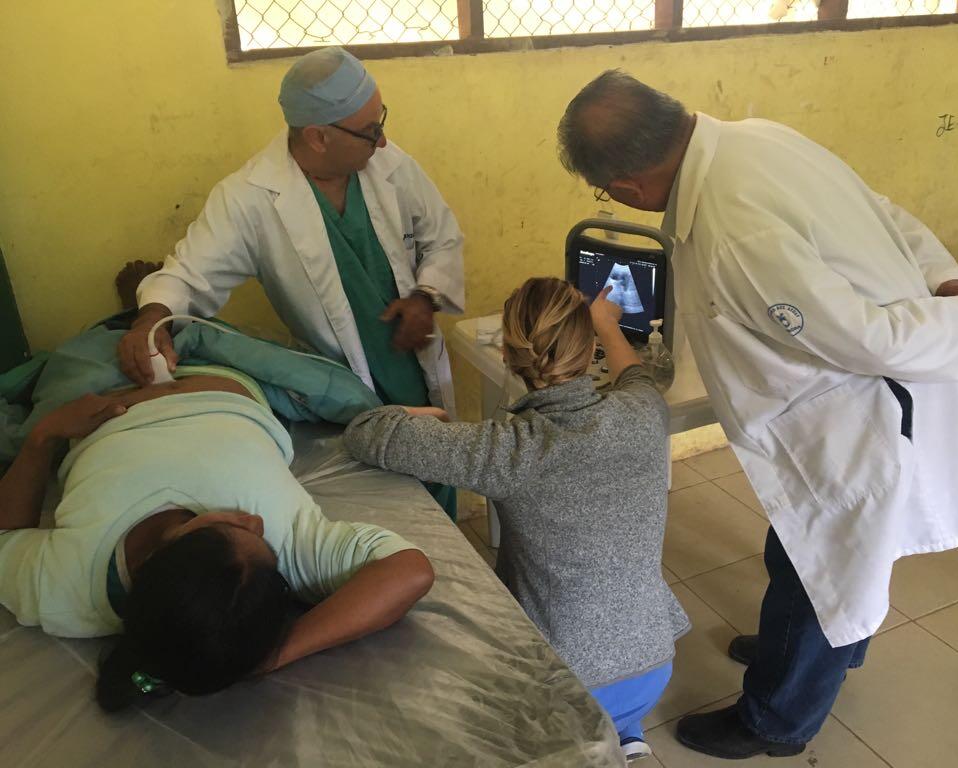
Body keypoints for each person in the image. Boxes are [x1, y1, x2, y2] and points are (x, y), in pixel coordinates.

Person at [557, 70, 958, 759]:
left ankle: (776, 721)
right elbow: (883, 213)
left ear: (625, 190)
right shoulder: (756, 137)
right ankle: (793, 650)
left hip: (854, 418)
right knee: (812, 550)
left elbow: (864, 337)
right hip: (850, 402)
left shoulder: (733, 224)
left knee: (821, 568)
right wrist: (946, 279)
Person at [344, 277, 689, 763]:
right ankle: (626, 735)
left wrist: (423, 414)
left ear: (507, 356)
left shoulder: (506, 449)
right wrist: (607, 325)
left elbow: (366, 433)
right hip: (654, 664)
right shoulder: (644, 412)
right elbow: (636, 377)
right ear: (588, 348)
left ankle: (595, 737)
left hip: (567, 685)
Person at [115, 46, 464, 517]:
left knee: (434, 456)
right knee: (384, 487)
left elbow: (441, 236)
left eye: (380, 121)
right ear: (319, 137)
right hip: (339, 375)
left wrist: (426, 295)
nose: (382, 141)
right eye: (371, 131)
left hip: (410, 361)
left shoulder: (390, 165)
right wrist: (148, 324)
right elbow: (187, 275)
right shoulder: (249, 198)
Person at [0, 371, 434, 711]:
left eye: (230, 526)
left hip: (95, 396)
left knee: (86, 351)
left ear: (155, 557)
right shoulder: (297, 547)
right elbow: (410, 571)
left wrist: (44, 436)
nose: (255, 523)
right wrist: (274, 655)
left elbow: (6, 535)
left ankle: (135, 314)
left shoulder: (64, 588)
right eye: (253, 535)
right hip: (222, 382)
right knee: (331, 382)